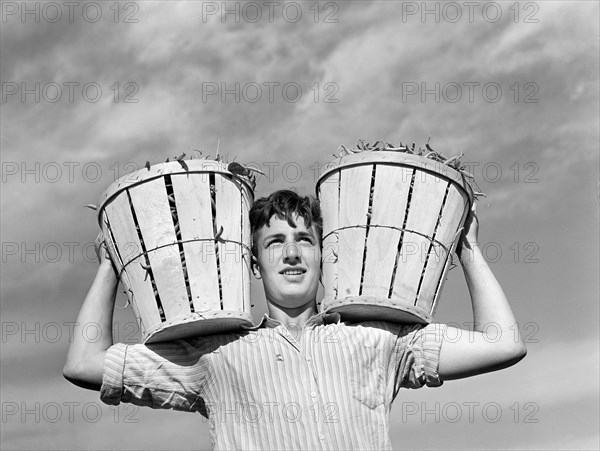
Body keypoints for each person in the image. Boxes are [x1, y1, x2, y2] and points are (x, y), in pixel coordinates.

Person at [63, 189, 526, 450]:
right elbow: (85, 363)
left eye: (304, 239)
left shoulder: (378, 338)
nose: (291, 254)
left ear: (326, 255)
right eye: (274, 243)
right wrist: (112, 264)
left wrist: (468, 248)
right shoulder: (216, 354)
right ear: (252, 263)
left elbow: (502, 343)